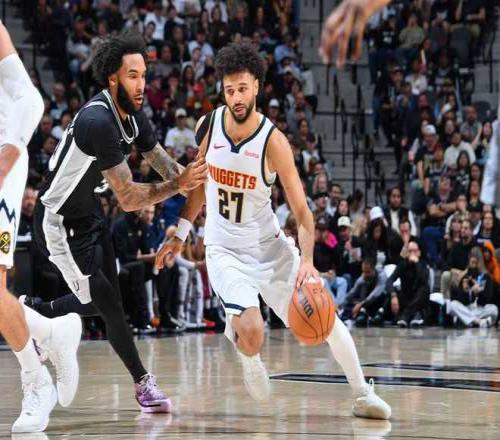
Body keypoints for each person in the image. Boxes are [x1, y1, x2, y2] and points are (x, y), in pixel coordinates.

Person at [156, 42, 391, 419]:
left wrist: (308, 263)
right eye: (229, 90)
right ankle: (249, 356)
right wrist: (180, 234)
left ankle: (363, 394)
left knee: (326, 317)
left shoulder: (274, 142)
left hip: (270, 248)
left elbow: (302, 212)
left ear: (257, 86)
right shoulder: (208, 127)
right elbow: (198, 185)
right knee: (253, 332)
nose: (236, 97)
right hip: (225, 251)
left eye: (243, 88)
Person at [24, 31, 207, 413]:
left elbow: (164, 164)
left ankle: (35, 312)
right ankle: (143, 384)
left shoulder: (134, 116)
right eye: (132, 76)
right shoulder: (99, 121)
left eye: (144, 76)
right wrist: (179, 184)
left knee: (109, 304)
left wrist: (194, 178)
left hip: (88, 215)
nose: (141, 85)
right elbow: (127, 198)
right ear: (113, 79)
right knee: (104, 302)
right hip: (57, 222)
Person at [0, 21, 81, 433]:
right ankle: (52, 331)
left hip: (3, 162)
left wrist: (8, 153)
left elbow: (30, 100)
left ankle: (37, 379)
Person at [447, 249, 498, 327]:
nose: (474, 265)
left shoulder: (486, 277)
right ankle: (478, 322)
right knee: (452, 305)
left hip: (480, 308)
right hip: (467, 308)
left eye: (476, 263)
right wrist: (465, 291)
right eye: (472, 263)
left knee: (494, 309)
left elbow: (487, 299)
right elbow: (461, 300)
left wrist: (479, 292)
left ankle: (468, 321)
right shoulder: (465, 276)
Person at [385, 240, 430, 327]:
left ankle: (406, 315)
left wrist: (416, 263)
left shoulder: (423, 264)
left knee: (425, 289)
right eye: (410, 251)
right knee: (394, 291)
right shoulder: (402, 264)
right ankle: (413, 315)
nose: (412, 254)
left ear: (419, 253)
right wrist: (393, 295)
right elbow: (390, 281)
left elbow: (424, 279)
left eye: (414, 251)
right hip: (406, 296)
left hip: (419, 299)